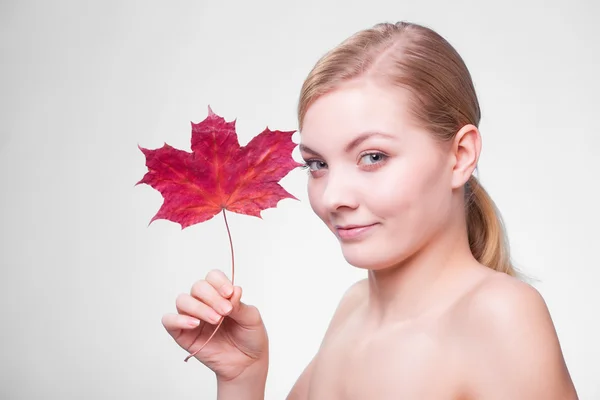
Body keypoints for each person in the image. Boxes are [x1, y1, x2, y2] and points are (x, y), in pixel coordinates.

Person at [161, 21, 578, 399]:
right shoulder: (353, 308)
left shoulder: (500, 316)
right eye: (317, 164)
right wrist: (241, 380)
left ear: (460, 155)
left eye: (373, 156)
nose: (333, 197)